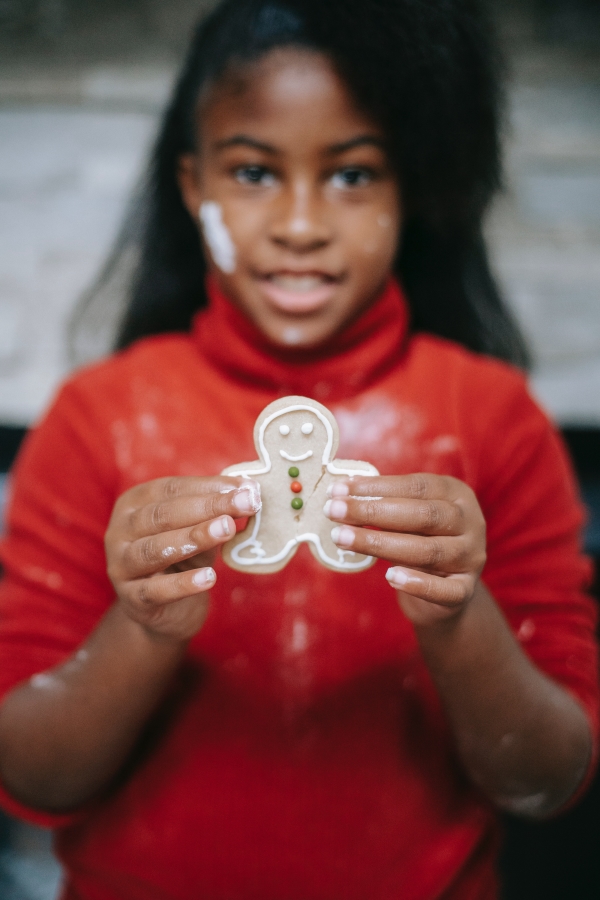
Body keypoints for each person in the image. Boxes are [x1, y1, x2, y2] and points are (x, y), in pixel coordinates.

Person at [0, 1, 597, 898]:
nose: (301, 223)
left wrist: (456, 615)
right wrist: (142, 626)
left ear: (412, 190)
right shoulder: (98, 418)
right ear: (194, 188)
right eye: (253, 172)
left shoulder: (493, 420)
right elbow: (33, 774)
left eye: (353, 176)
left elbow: (548, 779)